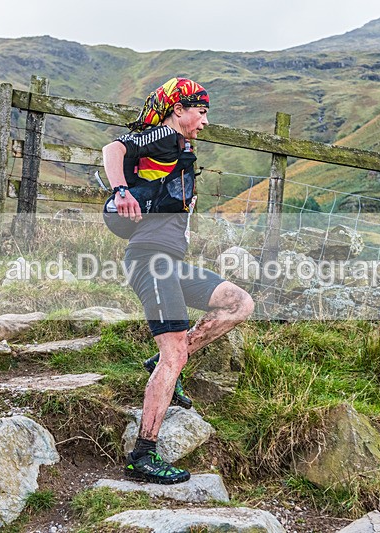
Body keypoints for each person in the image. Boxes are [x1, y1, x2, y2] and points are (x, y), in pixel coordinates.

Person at [102, 77, 254, 484]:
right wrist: (120, 191)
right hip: (151, 261)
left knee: (239, 303)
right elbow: (113, 148)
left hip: (170, 261)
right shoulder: (165, 134)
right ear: (179, 109)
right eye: (200, 112)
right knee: (174, 357)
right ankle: (143, 456)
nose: (204, 121)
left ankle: (168, 360)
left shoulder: (179, 147)